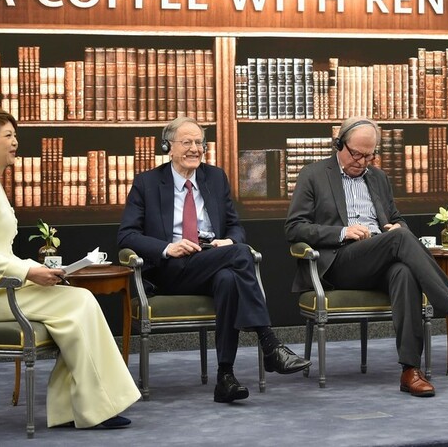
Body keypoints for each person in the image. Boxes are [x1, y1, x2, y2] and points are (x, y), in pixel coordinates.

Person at [0, 106, 140, 429]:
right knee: (80, 301)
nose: (15, 142)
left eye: (15, 135)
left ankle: (75, 409)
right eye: (8, 136)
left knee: (78, 306)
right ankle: (91, 408)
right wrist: (29, 272)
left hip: (0, 287)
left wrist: (31, 269)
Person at [284, 117, 448, 397]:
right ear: (339, 145)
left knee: (404, 271)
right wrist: (342, 232)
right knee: (400, 240)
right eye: (356, 154)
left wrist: (398, 227)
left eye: (369, 156)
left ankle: (410, 371)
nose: (362, 162)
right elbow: (294, 228)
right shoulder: (314, 174)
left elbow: (396, 219)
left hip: (380, 255)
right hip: (340, 261)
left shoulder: (378, 178)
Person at [117, 116, 310, 403]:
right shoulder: (147, 183)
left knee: (229, 278)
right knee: (240, 254)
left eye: (199, 143)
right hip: (170, 269)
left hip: (211, 261)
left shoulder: (215, 177)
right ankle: (269, 343)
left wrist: (229, 240)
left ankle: (225, 378)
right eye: (187, 142)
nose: (195, 149)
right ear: (168, 146)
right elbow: (126, 236)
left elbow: (234, 226)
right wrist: (167, 248)